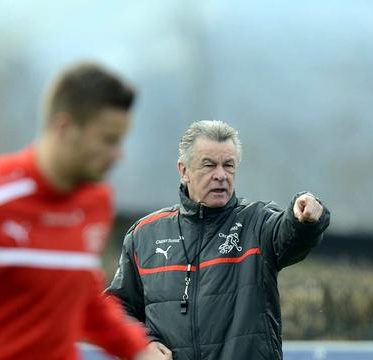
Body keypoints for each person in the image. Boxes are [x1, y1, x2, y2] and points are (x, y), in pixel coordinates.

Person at [0, 62, 162, 360]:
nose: (119, 155)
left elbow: (85, 297)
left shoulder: (97, 201)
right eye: (108, 140)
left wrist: (138, 351)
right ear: (64, 128)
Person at [107, 120, 331, 359]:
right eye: (209, 165)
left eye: (229, 165)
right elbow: (115, 308)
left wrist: (303, 219)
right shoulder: (145, 235)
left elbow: (289, 235)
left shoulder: (256, 222)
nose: (221, 175)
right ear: (184, 171)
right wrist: (142, 343)